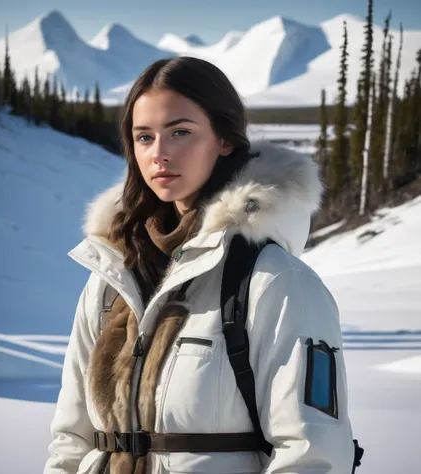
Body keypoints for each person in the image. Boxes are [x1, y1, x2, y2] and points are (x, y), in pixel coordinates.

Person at [44, 57, 355, 474]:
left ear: (224, 139)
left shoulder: (275, 281)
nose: (159, 154)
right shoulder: (112, 275)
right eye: (144, 137)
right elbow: (71, 438)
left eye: (180, 133)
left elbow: (312, 454)